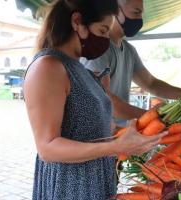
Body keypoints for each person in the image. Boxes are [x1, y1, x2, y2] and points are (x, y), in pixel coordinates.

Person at [23, 0, 166, 199]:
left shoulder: (80, 69)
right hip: (71, 186)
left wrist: (130, 136)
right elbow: (47, 147)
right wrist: (116, 147)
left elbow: (91, 129)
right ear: (77, 22)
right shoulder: (48, 67)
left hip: (97, 178)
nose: (106, 39)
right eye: (103, 30)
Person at [81, 0, 181, 127]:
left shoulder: (129, 51)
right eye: (136, 12)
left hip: (120, 134)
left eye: (141, 14)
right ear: (116, 11)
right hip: (100, 135)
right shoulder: (98, 50)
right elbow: (106, 101)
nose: (140, 20)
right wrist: (152, 115)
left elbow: (151, 84)